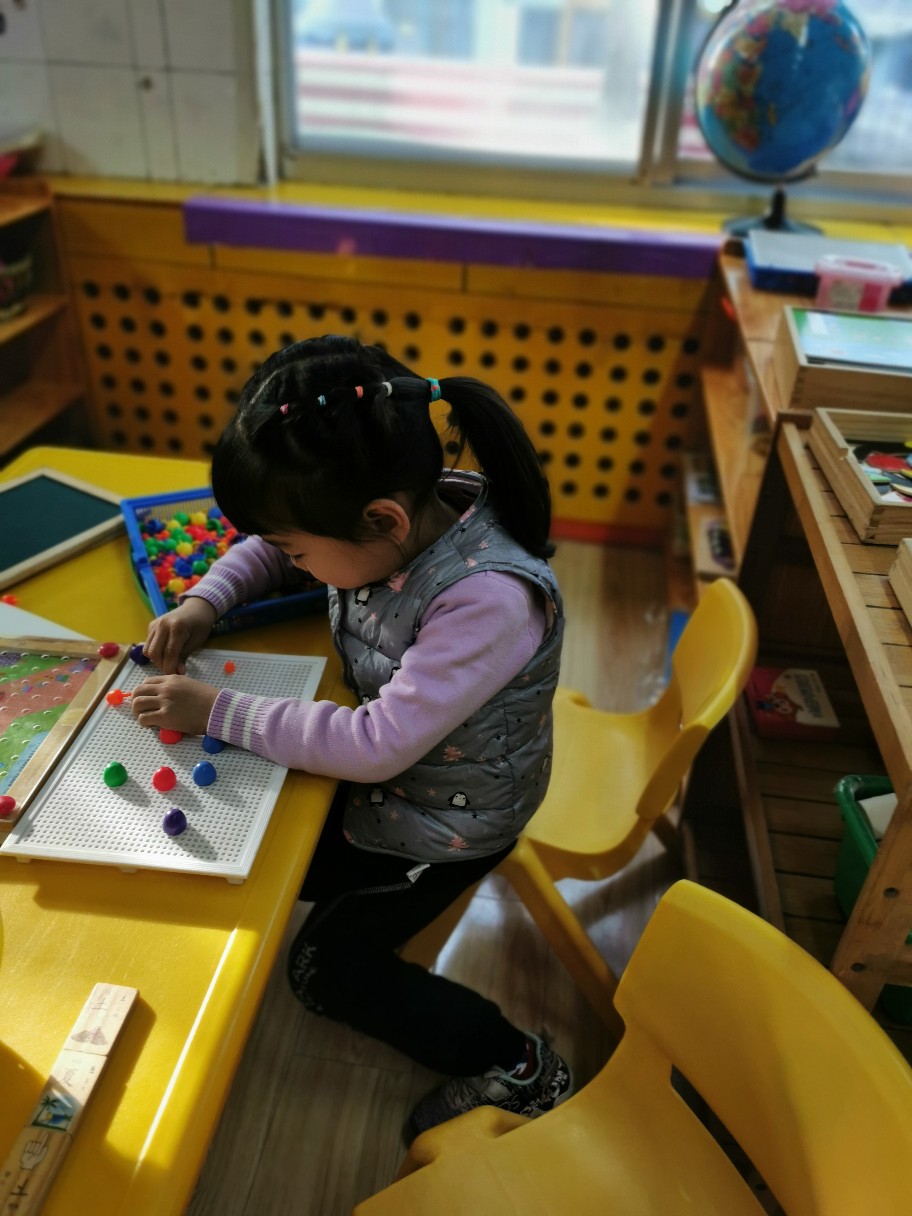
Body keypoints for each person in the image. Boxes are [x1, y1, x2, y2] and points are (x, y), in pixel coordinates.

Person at [130, 334, 571, 1140]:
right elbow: (273, 547)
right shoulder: (389, 520)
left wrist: (214, 709)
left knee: (320, 973)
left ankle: (518, 1065)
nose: (291, 560)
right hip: (404, 783)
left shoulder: (488, 601)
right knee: (266, 848)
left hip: (447, 823)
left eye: (300, 551)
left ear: (383, 520)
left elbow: (372, 745)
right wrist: (205, 601)